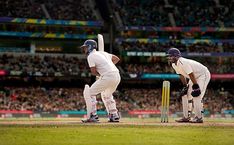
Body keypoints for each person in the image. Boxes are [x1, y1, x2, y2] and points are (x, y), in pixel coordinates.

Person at [80, 39, 121, 123]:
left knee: (89, 93)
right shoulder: (103, 53)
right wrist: (108, 67)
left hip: (108, 76)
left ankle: (93, 115)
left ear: (90, 47)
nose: (84, 49)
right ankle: (114, 115)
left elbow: (93, 72)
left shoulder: (91, 56)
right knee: (106, 94)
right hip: (117, 75)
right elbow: (116, 59)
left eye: (85, 47)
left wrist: (102, 73)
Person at [166, 48, 210, 123]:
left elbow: (191, 74)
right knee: (185, 94)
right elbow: (181, 75)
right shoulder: (174, 64)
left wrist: (195, 86)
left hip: (203, 74)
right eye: (169, 56)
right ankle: (186, 116)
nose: (169, 58)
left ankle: (199, 117)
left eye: (171, 56)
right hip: (194, 77)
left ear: (176, 56)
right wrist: (185, 86)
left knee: (196, 94)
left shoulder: (183, 62)